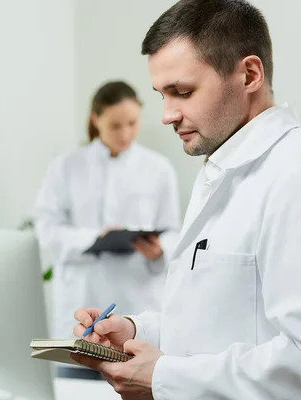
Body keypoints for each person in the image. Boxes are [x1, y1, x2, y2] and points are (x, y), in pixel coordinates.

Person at [72, 1, 301, 398]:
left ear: (249, 74)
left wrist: (163, 376)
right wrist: (138, 331)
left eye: (182, 92)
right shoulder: (221, 173)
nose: (167, 115)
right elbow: (218, 326)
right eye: (162, 95)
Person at [33, 80, 181, 379]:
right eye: (115, 125)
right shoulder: (65, 167)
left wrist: (159, 249)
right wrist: (93, 239)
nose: (125, 134)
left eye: (132, 123)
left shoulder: (159, 168)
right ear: (95, 119)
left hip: (137, 306)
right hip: (81, 306)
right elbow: (46, 229)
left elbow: (173, 231)